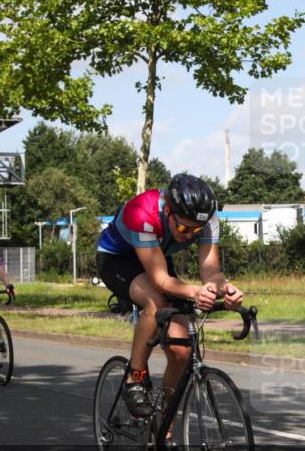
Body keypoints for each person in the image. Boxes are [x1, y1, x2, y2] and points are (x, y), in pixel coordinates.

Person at [97, 174, 243, 417]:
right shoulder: (141, 212)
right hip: (118, 260)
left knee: (181, 351)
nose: (189, 235)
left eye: (195, 230)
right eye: (183, 227)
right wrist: (195, 292)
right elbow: (161, 280)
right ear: (168, 212)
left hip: (157, 256)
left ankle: (165, 429)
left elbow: (211, 272)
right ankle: (135, 378)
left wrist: (225, 289)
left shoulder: (207, 219)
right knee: (156, 303)